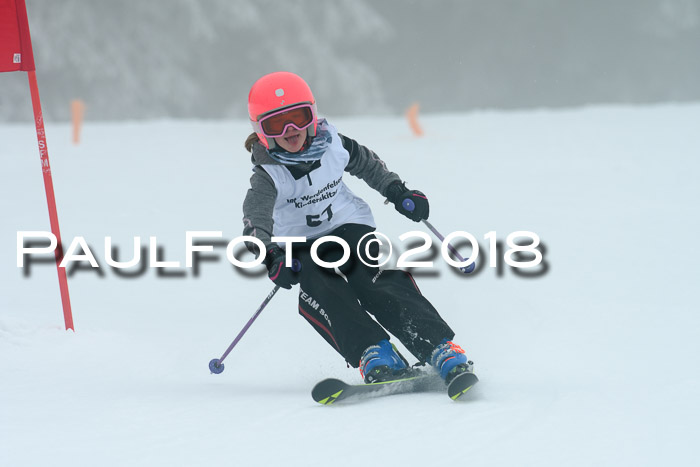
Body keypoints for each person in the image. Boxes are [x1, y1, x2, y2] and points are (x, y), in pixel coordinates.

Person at [242, 71, 472, 384]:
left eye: (298, 117)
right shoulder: (268, 175)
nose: (291, 130)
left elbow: (367, 164)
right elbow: (256, 219)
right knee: (320, 283)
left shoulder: (333, 146)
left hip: (348, 224)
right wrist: (270, 255)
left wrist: (397, 191)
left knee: (371, 276)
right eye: (276, 124)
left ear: (313, 115)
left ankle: (436, 346)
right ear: (261, 130)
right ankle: (374, 351)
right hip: (300, 244)